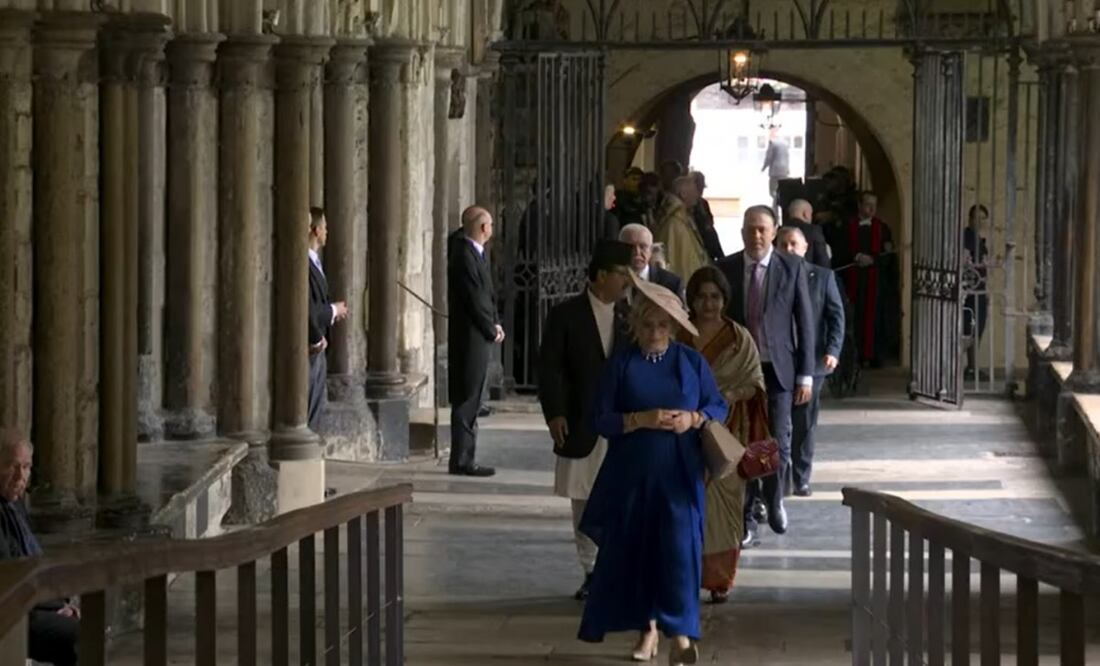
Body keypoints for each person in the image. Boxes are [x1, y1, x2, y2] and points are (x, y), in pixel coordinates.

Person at [578, 276, 727, 665]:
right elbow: (600, 418)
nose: (655, 332)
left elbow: (717, 406)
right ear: (635, 325)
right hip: (632, 474)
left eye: (663, 325)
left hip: (680, 475)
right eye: (647, 325)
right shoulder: (622, 364)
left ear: (674, 327)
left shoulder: (690, 362)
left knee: (680, 552)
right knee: (640, 552)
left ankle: (682, 635)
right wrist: (638, 419)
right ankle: (648, 629)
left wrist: (693, 418)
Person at [538, 240, 634, 601]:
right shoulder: (566, 315)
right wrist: (555, 413)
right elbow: (550, 368)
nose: (626, 282)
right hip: (581, 420)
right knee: (583, 498)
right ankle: (591, 569)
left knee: (621, 496)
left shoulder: (630, 317)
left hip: (622, 423)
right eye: (621, 274)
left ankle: (616, 566)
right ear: (602, 275)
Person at [716, 205, 815, 545]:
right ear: (742, 232)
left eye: (762, 229)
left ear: (773, 232)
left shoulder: (791, 267)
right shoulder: (726, 268)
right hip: (742, 370)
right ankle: (747, 517)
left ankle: (773, 499)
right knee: (745, 442)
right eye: (750, 229)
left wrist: (805, 375)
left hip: (778, 369)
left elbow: (805, 321)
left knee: (776, 441)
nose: (756, 235)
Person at [678, 266, 770, 604]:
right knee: (685, 507)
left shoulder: (738, 338)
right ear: (691, 299)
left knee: (725, 507)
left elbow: (756, 383)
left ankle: (719, 580)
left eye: (715, 296)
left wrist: (728, 396)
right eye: (701, 297)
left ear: (725, 299)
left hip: (727, 435)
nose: (708, 304)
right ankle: (685, 575)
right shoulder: (679, 333)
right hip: (683, 434)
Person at [0, 428, 79, 666]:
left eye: (26, 467)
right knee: (80, 638)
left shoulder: (15, 503)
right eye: (11, 465)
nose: (20, 476)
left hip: (33, 605)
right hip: (13, 614)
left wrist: (63, 603)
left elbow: (32, 558)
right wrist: (55, 607)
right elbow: (10, 577)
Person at [777, 227, 845, 497]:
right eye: (783, 244)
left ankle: (800, 476)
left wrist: (833, 350)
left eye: (794, 244)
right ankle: (779, 476)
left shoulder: (823, 277)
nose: (789, 249)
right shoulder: (770, 277)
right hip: (781, 361)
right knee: (780, 422)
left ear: (805, 248)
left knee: (804, 422)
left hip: (813, 361)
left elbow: (836, 317)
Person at [447, 206, 504, 477]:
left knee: (473, 396)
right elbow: (474, 298)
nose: (492, 229)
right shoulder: (463, 255)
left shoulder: (475, 252)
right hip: (469, 337)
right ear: (483, 228)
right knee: (467, 397)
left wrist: (496, 323)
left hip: (478, 334)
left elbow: (487, 295)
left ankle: (465, 456)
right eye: (490, 224)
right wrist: (491, 328)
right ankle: (462, 460)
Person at [835, 191, 895, 366]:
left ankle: (875, 355)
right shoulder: (847, 227)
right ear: (859, 205)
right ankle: (856, 357)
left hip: (875, 283)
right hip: (853, 281)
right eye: (868, 204)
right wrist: (856, 257)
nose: (872, 209)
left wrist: (873, 260)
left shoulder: (882, 228)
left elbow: (888, 255)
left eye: (874, 205)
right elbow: (839, 251)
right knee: (855, 318)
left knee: (876, 319)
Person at [307, 207, 349, 431]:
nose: (327, 231)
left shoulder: (314, 261)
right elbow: (306, 308)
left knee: (315, 402)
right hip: (312, 344)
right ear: (315, 230)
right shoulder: (303, 263)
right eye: (324, 227)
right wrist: (332, 311)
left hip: (319, 341)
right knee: (309, 403)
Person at [652, 176, 710, 282]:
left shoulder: (684, 218)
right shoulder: (675, 223)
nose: (697, 196)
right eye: (695, 191)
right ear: (683, 194)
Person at [619, 223, 684, 299]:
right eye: (631, 246)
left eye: (642, 247)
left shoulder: (672, 283)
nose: (637, 252)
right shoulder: (610, 281)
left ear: (651, 250)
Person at [963, 204, 990, 379]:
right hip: (970, 290)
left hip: (979, 289)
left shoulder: (978, 239)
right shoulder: (967, 237)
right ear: (970, 219)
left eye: (983, 219)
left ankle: (972, 367)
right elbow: (965, 261)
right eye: (977, 218)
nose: (980, 222)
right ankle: (970, 368)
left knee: (976, 328)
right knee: (970, 328)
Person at [783, 199, 831, 268]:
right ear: (805, 214)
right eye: (811, 214)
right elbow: (822, 261)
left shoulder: (779, 230)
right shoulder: (813, 230)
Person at [691, 171, 725, 262]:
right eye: (699, 187)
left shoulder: (703, 203)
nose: (701, 190)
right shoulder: (689, 205)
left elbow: (710, 220)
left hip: (710, 242)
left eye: (702, 187)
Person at [761, 126, 790, 204]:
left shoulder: (772, 142)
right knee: (782, 189)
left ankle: (775, 205)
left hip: (775, 171)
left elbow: (769, 157)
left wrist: (763, 168)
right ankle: (778, 204)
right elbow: (787, 156)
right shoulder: (785, 143)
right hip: (784, 171)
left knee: (773, 191)